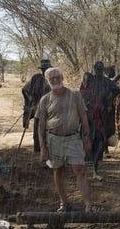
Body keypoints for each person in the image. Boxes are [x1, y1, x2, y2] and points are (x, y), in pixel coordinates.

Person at [36, 67, 101, 213]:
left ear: (62, 77)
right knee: (58, 170)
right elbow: (41, 125)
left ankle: (89, 205)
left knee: (81, 170)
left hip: (73, 138)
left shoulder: (75, 95)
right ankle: (64, 204)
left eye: (57, 77)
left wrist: (86, 137)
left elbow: (84, 118)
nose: (55, 80)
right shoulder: (45, 99)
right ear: (47, 82)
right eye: (51, 78)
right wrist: (42, 146)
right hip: (53, 139)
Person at [22, 58, 51, 166]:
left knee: (50, 135)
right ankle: (42, 158)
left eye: (47, 68)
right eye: (43, 69)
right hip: (38, 112)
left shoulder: (53, 78)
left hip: (51, 112)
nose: (45, 71)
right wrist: (30, 100)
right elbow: (25, 90)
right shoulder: (36, 78)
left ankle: (50, 158)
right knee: (39, 134)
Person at [80, 72, 106, 180]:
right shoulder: (79, 94)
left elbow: (100, 109)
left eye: (90, 81)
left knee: (97, 148)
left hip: (96, 125)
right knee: (83, 150)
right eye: (86, 81)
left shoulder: (96, 94)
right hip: (83, 125)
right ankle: (82, 173)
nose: (88, 83)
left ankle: (95, 172)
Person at [92, 61, 120, 154]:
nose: (98, 72)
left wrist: (111, 97)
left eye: (100, 70)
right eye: (97, 70)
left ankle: (105, 149)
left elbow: (117, 90)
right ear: (94, 69)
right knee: (93, 129)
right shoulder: (91, 80)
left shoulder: (107, 81)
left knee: (105, 129)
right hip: (93, 109)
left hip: (105, 109)